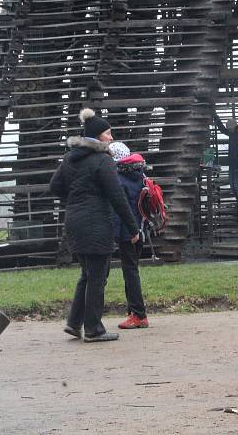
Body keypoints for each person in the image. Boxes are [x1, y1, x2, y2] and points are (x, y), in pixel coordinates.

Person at [50, 108, 139, 343]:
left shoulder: (70, 158)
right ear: (99, 136)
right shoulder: (103, 160)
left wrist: (75, 200)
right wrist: (133, 227)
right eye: (108, 134)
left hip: (74, 221)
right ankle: (93, 329)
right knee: (98, 276)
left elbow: (55, 186)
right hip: (97, 222)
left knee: (86, 275)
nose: (111, 137)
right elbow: (117, 196)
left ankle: (73, 323)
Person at [108, 141, 149, 330]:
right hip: (142, 229)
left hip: (129, 232)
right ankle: (133, 311)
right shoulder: (139, 174)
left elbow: (121, 210)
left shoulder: (120, 179)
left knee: (130, 271)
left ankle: (139, 314)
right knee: (131, 269)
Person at [213, 113, 238, 219]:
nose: (229, 130)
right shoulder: (233, 133)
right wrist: (216, 118)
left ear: (234, 127)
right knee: (234, 187)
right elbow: (223, 129)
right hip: (233, 166)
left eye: (230, 128)